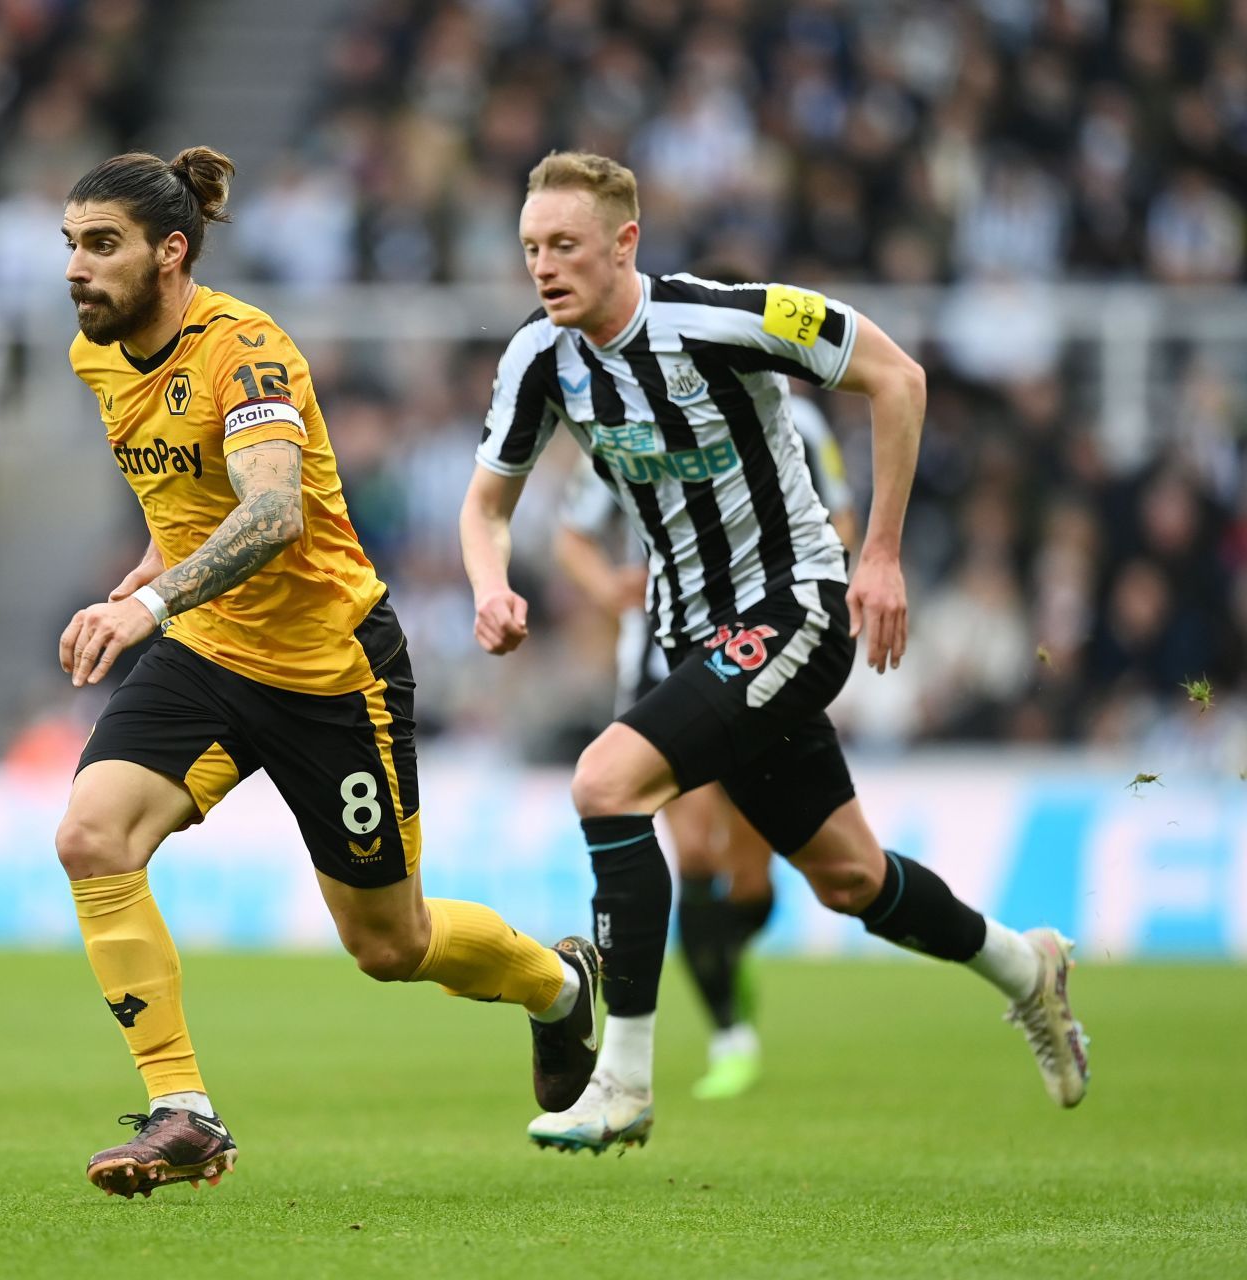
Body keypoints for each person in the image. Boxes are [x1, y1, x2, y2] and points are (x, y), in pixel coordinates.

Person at [459, 151, 1090, 1155]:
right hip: (690, 638)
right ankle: (1029, 968)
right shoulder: (540, 359)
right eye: (532, 246)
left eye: (565, 244)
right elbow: (486, 502)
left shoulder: (726, 315)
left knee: (606, 779)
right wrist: (491, 584)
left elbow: (898, 375)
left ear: (626, 241)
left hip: (793, 608)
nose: (543, 264)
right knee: (850, 878)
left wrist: (877, 552)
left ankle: (622, 1079)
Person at [55, 146, 602, 1198]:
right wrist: (155, 567)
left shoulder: (248, 353)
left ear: (171, 252)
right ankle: (185, 1110)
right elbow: (193, 503)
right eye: (72, 245)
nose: (78, 268)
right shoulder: (98, 355)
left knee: (390, 944)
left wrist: (146, 603)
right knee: (91, 834)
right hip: (210, 653)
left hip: (329, 669)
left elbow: (273, 509)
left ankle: (561, 987)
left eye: (102, 245)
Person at [553, 384, 860, 1101]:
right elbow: (572, 531)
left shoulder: (798, 422)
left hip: (761, 657)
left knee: (752, 878)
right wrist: (606, 587)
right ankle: (730, 1035)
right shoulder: (629, 418)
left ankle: (730, 950)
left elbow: (840, 517)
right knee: (692, 851)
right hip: (662, 666)